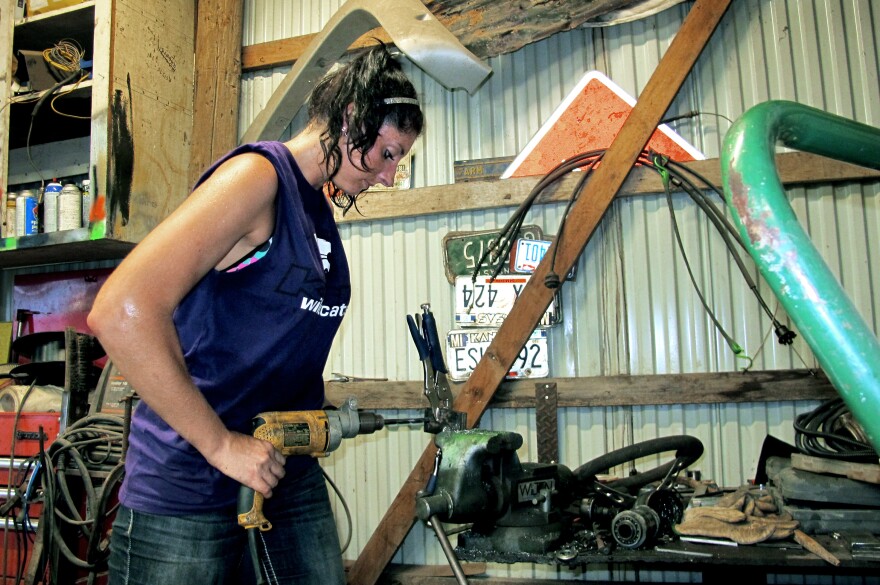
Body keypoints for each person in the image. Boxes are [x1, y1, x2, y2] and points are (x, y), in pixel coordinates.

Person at [87, 43, 423, 585]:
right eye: (388, 153)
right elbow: (121, 310)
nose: (389, 176)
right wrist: (221, 445)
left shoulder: (315, 206)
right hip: (192, 483)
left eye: (398, 161)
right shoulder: (258, 179)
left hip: (283, 471)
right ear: (351, 120)